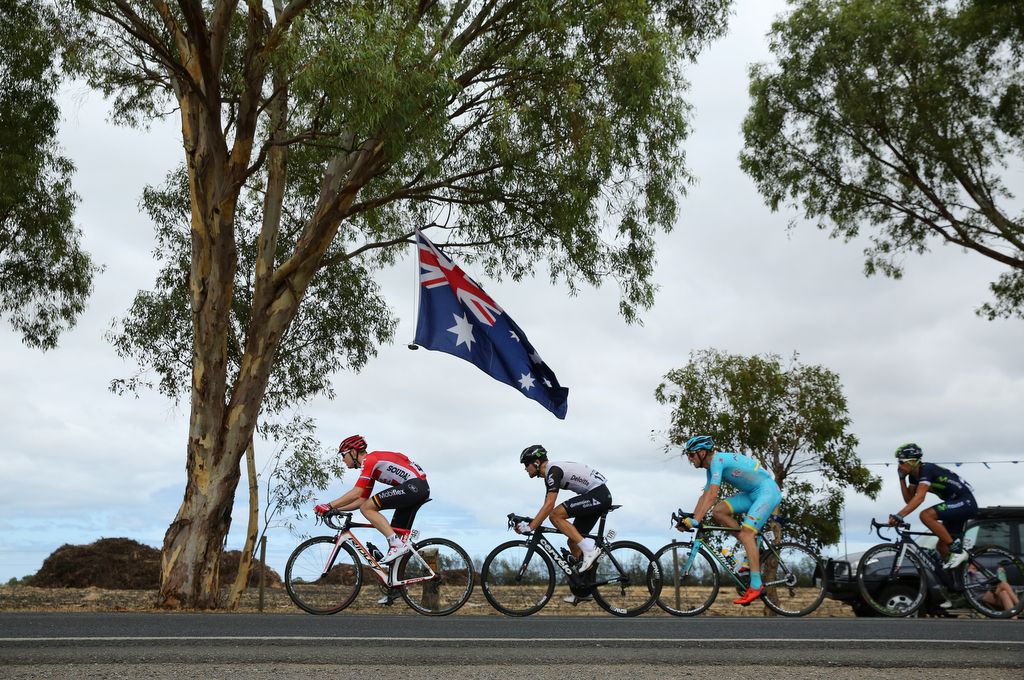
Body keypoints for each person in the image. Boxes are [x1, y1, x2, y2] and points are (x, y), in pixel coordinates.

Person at [678, 435, 782, 606]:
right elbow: (704, 496)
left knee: (747, 533)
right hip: (752, 494)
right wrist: (692, 518)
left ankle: (756, 586)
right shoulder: (710, 469)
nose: (689, 459)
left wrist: (696, 520)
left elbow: (712, 496)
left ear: (702, 453)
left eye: (691, 454)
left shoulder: (717, 461)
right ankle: (751, 548)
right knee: (718, 512)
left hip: (767, 491)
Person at [516, 444, 611, 604]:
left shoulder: (553, 471)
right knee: (573, 541)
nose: (525, 468)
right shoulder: (550, 474)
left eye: (527, 464)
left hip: (598, 495)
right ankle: (583, 588)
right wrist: (531, 522)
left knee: (555, 516)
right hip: (596, 495)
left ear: (537, 462)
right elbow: (545, 505)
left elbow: (549, 507)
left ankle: (589, 550)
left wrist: (531, 527)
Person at [314, 435, 430, 564]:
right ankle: (396, 572)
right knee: (394, 536)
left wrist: (329, 505)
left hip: (414, 487)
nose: (343, 459)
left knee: (368, 510)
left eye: (343, 455)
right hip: (416, 488)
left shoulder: (369, 460)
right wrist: (336, 509)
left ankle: (396, 545)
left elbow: (356, 493)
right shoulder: (372, 466)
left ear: (353, 452)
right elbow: (361, 500)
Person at [889, 442, 978, 569]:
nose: (899, 466)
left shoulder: (927, 469)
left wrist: (899, 515)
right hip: (954, 504)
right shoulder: (913, 476)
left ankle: (958, 551)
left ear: (913, 461)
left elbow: (920, 498)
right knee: (941, 547)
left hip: (964, 502)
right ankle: (954, 578)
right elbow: (909, 500)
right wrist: (902, 479)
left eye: (901, 462)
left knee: (926, 515)